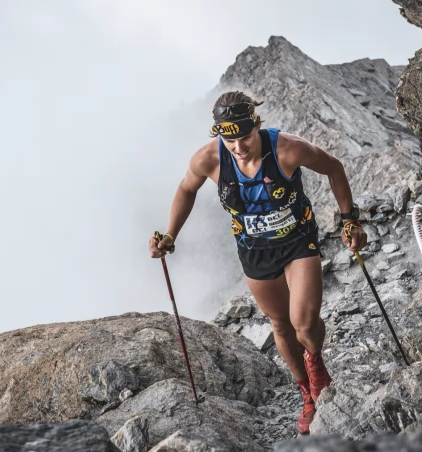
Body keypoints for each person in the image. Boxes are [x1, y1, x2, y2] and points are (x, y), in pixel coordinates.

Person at [148, 91, 367, 435]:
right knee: (280, 326)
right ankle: (307, 394)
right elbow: (186, 189)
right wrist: (171, 234)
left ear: (257, 127)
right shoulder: (208, 159)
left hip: (298, 242)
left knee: (304, 325)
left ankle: (315, 362)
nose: (238, 146)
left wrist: (349, 220)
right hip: (254, 252)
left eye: (244, 137)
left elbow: (334, 168)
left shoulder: (287, 149)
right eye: (229, 137)